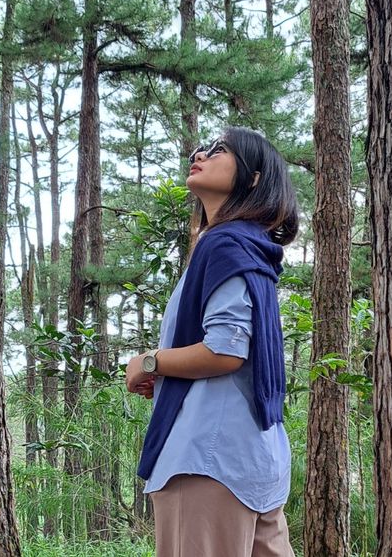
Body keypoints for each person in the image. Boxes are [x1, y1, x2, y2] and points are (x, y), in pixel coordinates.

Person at [125, 126, 298, 557]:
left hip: (206, 462)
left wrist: (151, 363)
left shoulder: (224, 243)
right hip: (255, 459)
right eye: (201, 146)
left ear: (253, 178)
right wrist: (171, 376)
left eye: (219, 150)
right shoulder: (251, 248)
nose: (199, 153)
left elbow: (224, 350)